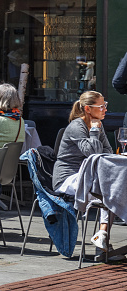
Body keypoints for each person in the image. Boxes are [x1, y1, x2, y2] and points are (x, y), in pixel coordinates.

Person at [52, 91, 114, 252]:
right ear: (88, 108)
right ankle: (102, 239)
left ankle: (102, 234)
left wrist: (97, 131)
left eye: (105, 105)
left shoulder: (99, 124)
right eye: (101, 106)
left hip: (88, 176)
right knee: (108, 191)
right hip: (67, 177)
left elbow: (107, 151)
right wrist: (94, 132)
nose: (105, 109)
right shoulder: (76, 126)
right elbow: (93, 153)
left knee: (115, 190)